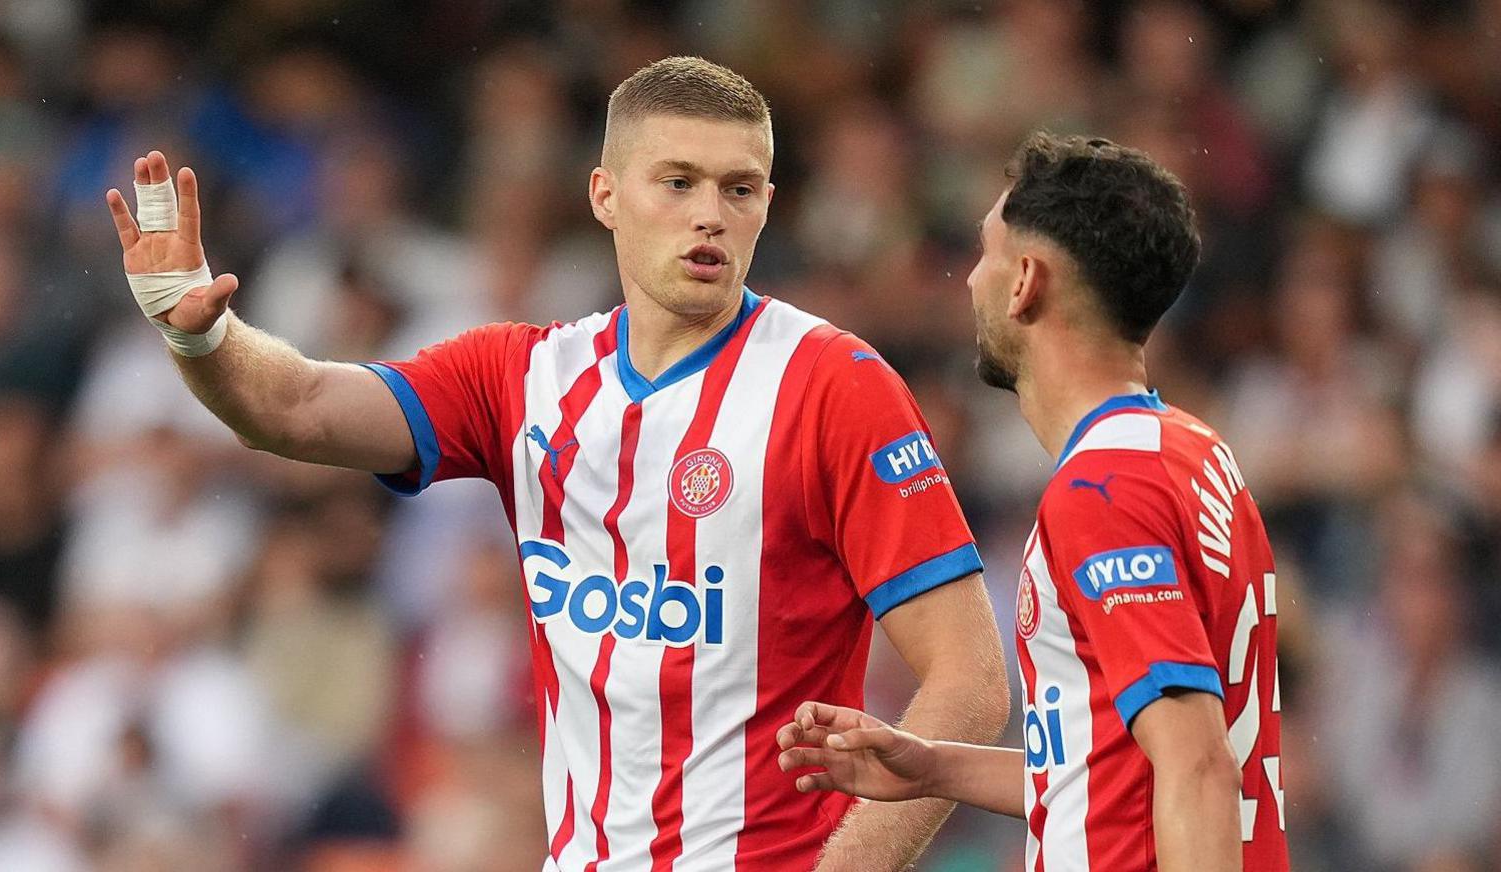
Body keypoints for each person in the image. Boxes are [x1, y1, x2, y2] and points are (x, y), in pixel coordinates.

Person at [103, 56, 1011, 871]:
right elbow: (292, 407)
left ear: (770, 204)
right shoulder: (522, 374)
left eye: (741, 189)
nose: (710, 214)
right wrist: (203, 337)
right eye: (679, 181)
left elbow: (970, 684)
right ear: (605, 195)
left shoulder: (832, 387)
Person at [777, 133, 1289, 871]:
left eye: (985, 253)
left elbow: (1198, 766)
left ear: (1026, 281)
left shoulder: (1102, 492)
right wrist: (929, 766)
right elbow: (1119, 771)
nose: (969, 280)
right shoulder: (1195, 453)